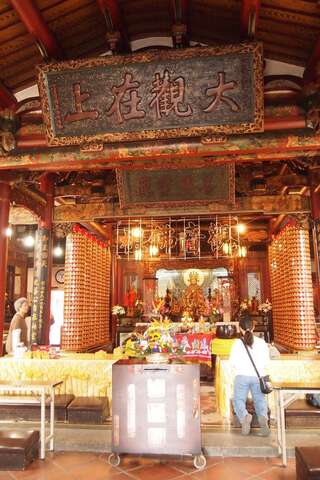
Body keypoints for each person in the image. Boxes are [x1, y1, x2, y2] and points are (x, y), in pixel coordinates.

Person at [229, 314, 270, 436]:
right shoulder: (262, 342)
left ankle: (244, 417)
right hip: (258, 376)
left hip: (241, 375)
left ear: (240, 329)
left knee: (238, 400)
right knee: (260, 400)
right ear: (253, 327)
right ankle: (263, 419)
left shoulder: (236, 343)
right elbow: (266, 362)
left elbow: (232, 362)